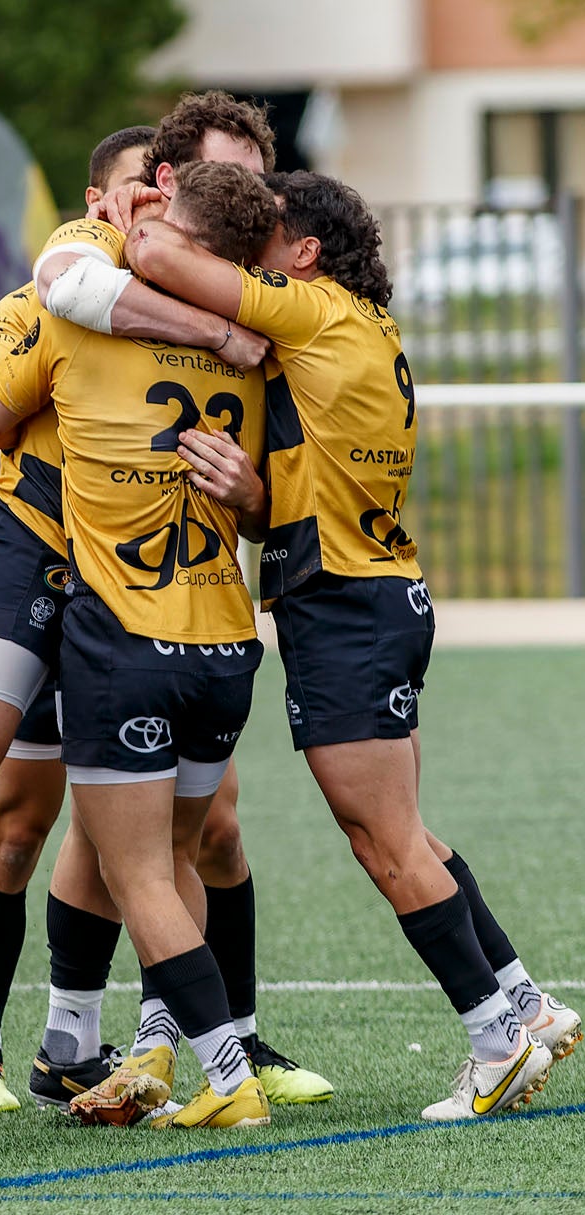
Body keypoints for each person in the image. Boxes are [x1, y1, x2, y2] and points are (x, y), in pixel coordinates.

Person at [125, 168, 580, 1119]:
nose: (251, 253)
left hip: (344, 609)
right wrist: (253, 496)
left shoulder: (314, 311)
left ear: (306, 254)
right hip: (374, 596)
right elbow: (297, 494)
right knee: (403, 831)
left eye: (269, 237)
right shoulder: (359, 328)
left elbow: (158, 254)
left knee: (383, 841)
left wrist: (140, 209)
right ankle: (525, 1003)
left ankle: (494, 1038)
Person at [0, 159, 281, 1130]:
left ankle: (228, 1076)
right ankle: (137, 1049)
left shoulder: (70, 310)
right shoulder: (261, 346)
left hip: (125, 638)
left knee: (134, 870)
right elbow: (277, 496)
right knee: (176, 854)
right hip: (225, 637)